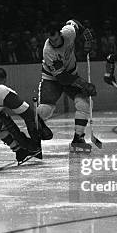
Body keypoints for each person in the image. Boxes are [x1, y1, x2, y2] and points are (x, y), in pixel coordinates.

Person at [37, 19, 93, 152]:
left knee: (84, 104)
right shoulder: (48, 51)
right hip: (52, 78)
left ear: (60, 34)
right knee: (45, 109)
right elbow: (62, 78)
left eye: (56, 39)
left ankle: (78, 138)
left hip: (70, 73)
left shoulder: (68, 32)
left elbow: (73, 22)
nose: (54, 43)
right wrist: (83, 84)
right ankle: (35, 127)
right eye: (51, 40)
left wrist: (87, 37)